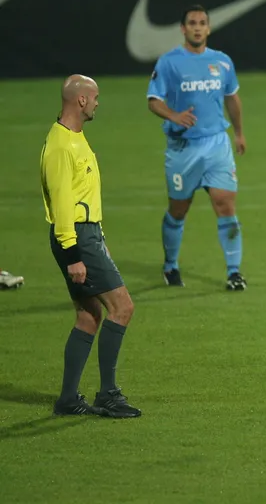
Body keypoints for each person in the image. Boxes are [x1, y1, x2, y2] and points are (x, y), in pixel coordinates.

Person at [41, 75, 140, 418]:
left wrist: (98, 237)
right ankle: (108, 394)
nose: (98, 102)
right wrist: (74, 256)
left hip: (86, 235)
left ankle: (68, 399)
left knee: (89, 315)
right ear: (81, 100)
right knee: (122, 308)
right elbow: (61, 206)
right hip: (77, 238)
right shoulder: (60, 146)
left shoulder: (75, 137)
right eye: (95, 97)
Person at [146, 5, 247, 290]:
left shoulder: (222, 62)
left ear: (209, 28)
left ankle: (234, 273)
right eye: (192, 23)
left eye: (202, 23)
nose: (198, 27)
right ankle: (170, 265)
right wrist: (174, 116)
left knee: (225, 205)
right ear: (183, 29)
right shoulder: (169, 63)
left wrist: (239, 133)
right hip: (183, 149)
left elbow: (232, 98)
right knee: (178, 210)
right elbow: (153, 100)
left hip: (217, 144)